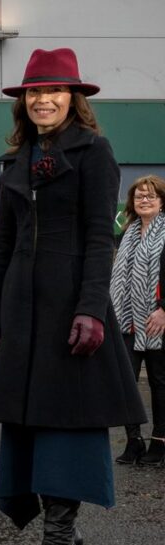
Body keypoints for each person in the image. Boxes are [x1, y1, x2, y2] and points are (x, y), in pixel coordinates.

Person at [0, 47, 145, 545]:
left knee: (64, 430)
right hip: (22, 315)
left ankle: (57, 542)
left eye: (53, 90)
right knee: (28, 429)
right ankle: (62, 543)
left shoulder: (95, 151)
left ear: (74, 97)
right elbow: (3, 244)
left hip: (71, 309)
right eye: (33, 91)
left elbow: (102, 237)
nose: (43, 99)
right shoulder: (15, 161)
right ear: (22, 102)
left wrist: (91, 309)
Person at [110, 175, 165, 467]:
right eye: (139, 196)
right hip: (128, 322)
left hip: (159, 321)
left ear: (162, 201)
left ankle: (160, 443)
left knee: (160, 383)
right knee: (125, 383)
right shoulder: (128, 232)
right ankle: (133, 441)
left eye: (150, 196)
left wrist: (163, 309)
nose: (144, 200)